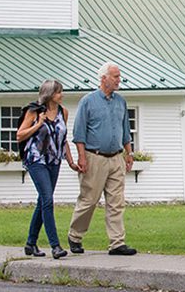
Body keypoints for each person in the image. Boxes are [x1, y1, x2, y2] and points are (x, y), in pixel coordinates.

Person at [67, 62, 137, 256]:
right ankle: (75, 235)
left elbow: (125, 130)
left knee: (116, 201)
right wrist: (82, 158)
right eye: (115, 76)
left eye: (119, 76)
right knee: (89, 199)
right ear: (103, 78)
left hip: (116, 158)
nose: (118, 80)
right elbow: (78, 133)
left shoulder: (120, 102)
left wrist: (128, 154)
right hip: (94, 157)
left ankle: (117, 243)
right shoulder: (88, 101)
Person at [17, 79, 77, 259]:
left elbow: (63, 139)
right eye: (59, 92)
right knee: (48, 200)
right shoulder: (34, 111)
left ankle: (30, 243)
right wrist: (38, 124)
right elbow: (19, 135)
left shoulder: (63, 112)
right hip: (36, 159)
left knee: (43, 201)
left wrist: (71, 161)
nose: (62, 95)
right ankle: (55, 246)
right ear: (50, 94)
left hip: (54, 161)